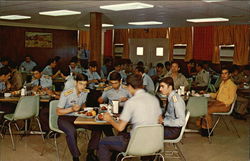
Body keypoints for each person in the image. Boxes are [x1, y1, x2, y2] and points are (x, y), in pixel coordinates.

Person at [97, 74, 162, 161]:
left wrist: (110, 119)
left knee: (103, 142)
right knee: (122, 135)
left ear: (130, 86)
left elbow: (120, 127)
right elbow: (159, 120)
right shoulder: (154, 99)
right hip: (154, 143)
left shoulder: (131, 102)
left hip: (136, 143)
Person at [56, 74, 113, 161]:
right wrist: (71, 109)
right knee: (71, 132)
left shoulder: (85, 92)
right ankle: (76, 157)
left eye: (85, 84)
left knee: (97, 127)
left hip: (78, 116)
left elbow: (83, 104)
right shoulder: (66, 93)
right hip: (64, 118)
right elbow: (58, 111)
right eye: (80, 84)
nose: (83, 87)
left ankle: (90, 153)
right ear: (76, 83)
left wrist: (86, 110)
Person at [199, 67, 237, 136]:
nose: (223, 75)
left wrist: (218, 103)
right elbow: (217, 94)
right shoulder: (222, 83)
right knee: (202, 106)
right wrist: (207, 94)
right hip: (218, 103)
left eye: (226, 73)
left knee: (207, 110)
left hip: (225, 106)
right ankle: (203, 127)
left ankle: (209, 130)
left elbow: (230, 100)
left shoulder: (232, 85)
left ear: (229, 75)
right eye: (222, 73)